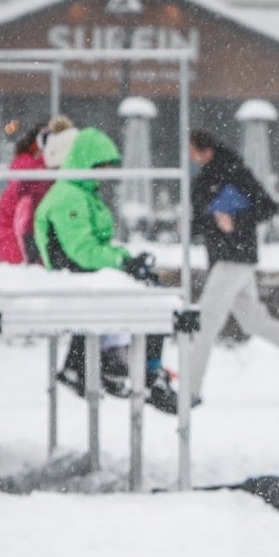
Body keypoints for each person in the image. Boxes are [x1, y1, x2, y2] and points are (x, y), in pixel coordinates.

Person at [33, 126, 179, 414]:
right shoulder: (69, 197)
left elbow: (92, 247)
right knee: (154, 300)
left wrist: (126, 259)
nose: (105, 174)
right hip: (75, 277)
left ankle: (113, 365)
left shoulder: (81, 192)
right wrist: (123, 262)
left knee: (151, 287)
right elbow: (83, 252)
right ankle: (147, 375)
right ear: (86, 163)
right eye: (101, 167)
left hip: (83, 275)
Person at [185, 130, 279, 404]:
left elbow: (267, 207)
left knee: (204, 325)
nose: (189, 155)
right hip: (228, 258)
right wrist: (201, 223)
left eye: (191, 148)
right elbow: (201, 222)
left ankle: (189, 392)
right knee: (254, 321)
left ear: (204, 149)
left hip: (234, 258)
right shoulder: (206, 179)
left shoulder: (234, 172)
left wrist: (234, 220)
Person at [0, 118, 51, 265]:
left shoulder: (27, 165)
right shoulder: (30, 169)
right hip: (18, 252)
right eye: (45, 138)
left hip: (14, 250)